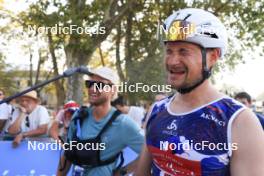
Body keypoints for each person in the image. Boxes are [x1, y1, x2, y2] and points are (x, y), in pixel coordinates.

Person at [135, 8, 264, 176]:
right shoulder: (157, 110)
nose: (173, 61)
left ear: (213, 57)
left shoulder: (240, 121)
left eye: (183, 51)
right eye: (169, 51)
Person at [57, 67, 144, 176]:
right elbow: (67, 154)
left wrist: (122, 171)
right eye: (90, 83)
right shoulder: (79, 116)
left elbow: (150, 154)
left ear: (112, 90)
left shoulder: (123, 123)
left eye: (100, 85)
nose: (93, 88)